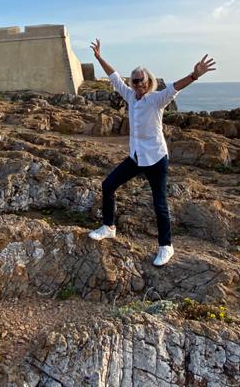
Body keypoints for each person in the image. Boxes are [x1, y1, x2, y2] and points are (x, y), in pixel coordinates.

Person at [87, 38, 216, 266]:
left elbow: (175, 87)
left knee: (159, 203)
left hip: (156, 158)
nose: (138, 84)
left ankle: (166, 246)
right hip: (136, 156)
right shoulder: (129, 96)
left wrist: (194, 75)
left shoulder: (156, 100)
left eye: (141, 81)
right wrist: (99, 58)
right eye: (135, 81)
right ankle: (109, 227)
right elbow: (113, 77)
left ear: (148, 83)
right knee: (108, 185)